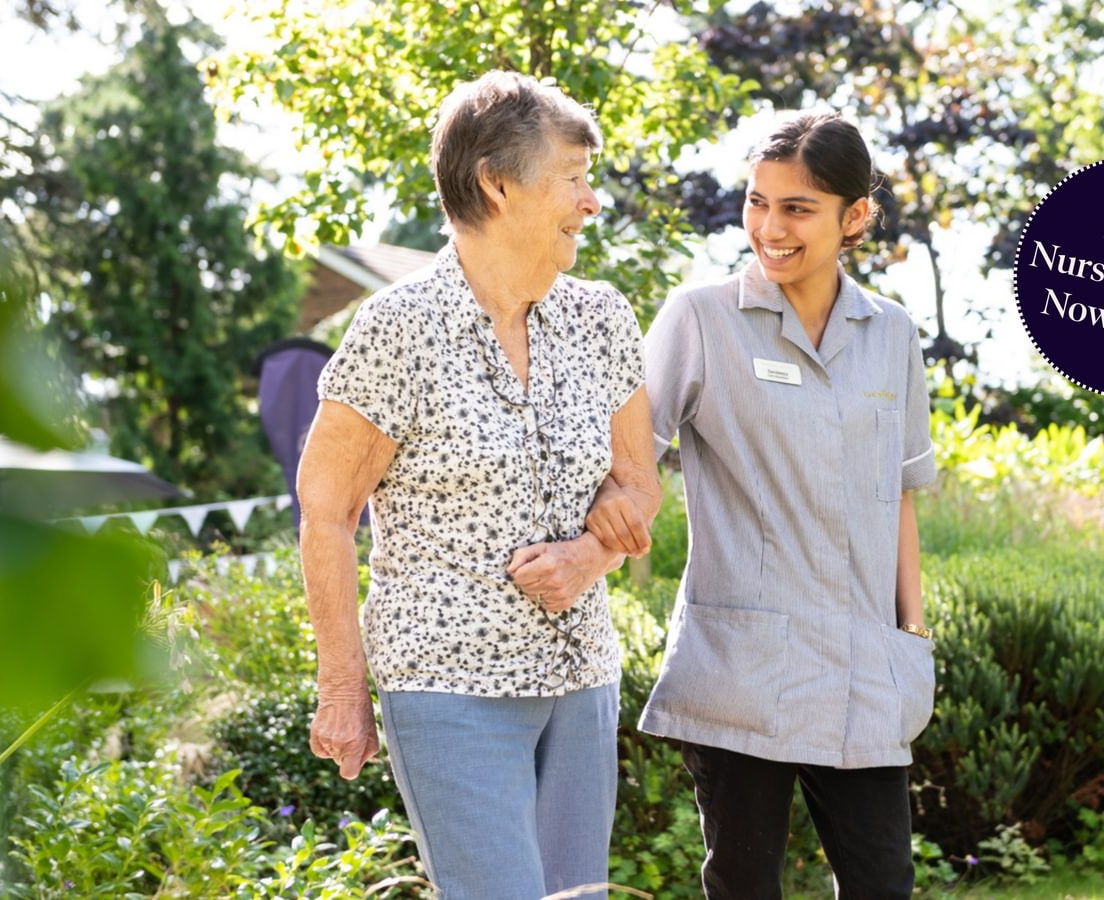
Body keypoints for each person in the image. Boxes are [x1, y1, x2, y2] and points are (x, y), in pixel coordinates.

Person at [297, 71, 660, 900]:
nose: (590, 201)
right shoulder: (398, 329)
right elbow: (327, 512)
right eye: (573, 176)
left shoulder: (601, 317)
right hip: (449, 684)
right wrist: (343, 688)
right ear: (498, 183)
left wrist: (588, 556)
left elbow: (640, 487)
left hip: (580, 678)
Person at [590, 111, 938, 899]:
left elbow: (903, 496)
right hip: (743, 670)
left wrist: (912, 634)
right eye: (758, 202)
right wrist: (600, 534)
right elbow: (625, 454)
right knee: (744, 884)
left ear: (854, 216)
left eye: (797, 208)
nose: (769, 227)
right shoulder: (702, 318)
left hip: (863, 670)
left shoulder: (892, 334)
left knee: (885, 883)